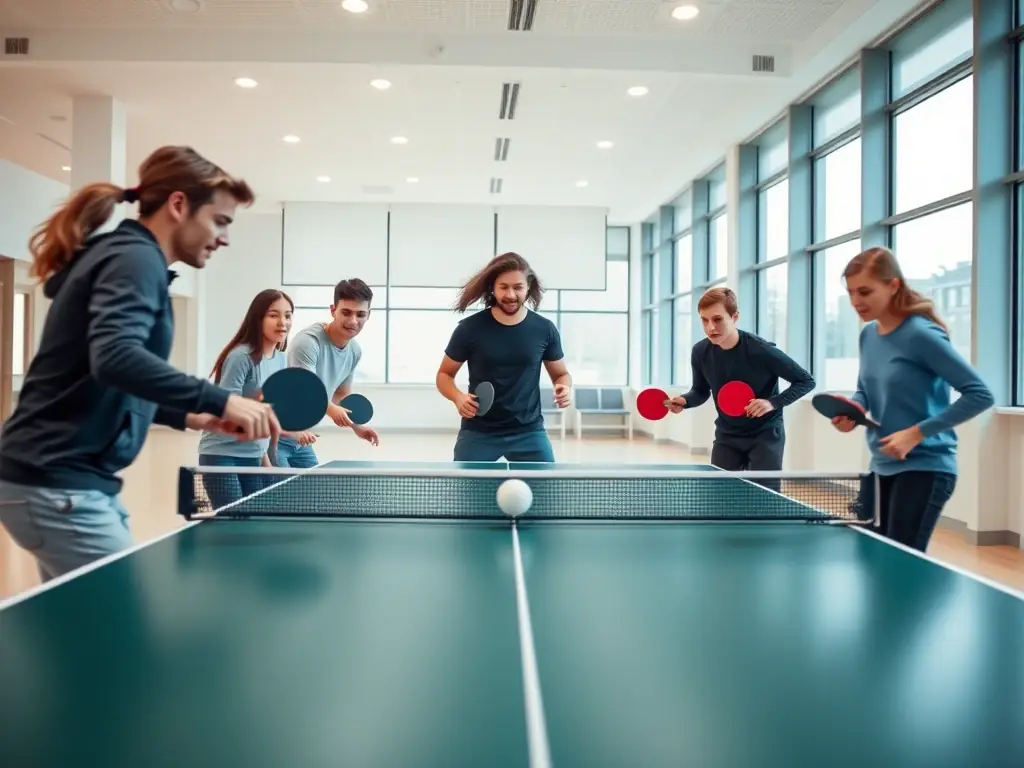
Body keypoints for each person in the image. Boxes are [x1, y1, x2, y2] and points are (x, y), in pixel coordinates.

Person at [0, 145, 279, 581]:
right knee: (120, 627)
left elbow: (108, 376)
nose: (224, 237)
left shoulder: (129, 256)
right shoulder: (135, 259)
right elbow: (115, 357)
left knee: (79, 630)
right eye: (220, 221)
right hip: (58, 480)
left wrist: (191, 414)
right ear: (179, 205)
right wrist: (221, 401)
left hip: (62, 479)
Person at [832, 246, 993, 552]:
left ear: (893, 285)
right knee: (869, 555)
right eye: (851, 292)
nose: (855, 302)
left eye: (865, 292)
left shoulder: (922, 335)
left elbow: (980, 394)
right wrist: (854, 410)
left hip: (926, 468)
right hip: (881, 465)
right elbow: (865, 388)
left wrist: (916, 433)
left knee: (900, 565)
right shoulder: (868, 335)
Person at [667, 286, 815, 482]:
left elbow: (805, 381)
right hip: (727, 435)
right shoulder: (700, 352)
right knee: (720, 497)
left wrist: (772, 403)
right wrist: (685, 401)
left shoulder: (761, 350)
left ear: (735, 317)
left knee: (765, 498)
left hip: (765, 434)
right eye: (705, 320)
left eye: (717, 319)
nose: (711, 327)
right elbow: (701, 390)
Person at [436, 252, 572, 463]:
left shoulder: (545, 329)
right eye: (504, 287)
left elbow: (561, 374)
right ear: (493, 288)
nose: (510, 294)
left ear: (528, 288)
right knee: (468, 496)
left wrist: (564, 388)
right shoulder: (469, 329)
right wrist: (458, 397)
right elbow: (444, 374)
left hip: (529, 431)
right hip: (478, 432)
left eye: (517, 287)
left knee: (546, 493)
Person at [197, 289, 318, 508]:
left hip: (253, 455)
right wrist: (288, 430)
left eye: (288, 315)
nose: (283, 322)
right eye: (274, 315)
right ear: (258, 318)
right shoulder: (241, 356)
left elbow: (269, 411)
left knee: (253, 520)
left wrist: (266, 460)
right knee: (232, 522)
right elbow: (229, 410)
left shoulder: (281, 360)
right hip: (222, 454)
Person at [274, 278, 380, 468]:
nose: (353, 321)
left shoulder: (354, 350)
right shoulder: (308, 342)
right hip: (276, 435)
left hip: (303, 437)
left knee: (313, 492)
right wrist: (332, 411)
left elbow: (341, 395)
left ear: (368, 315)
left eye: (360, 314)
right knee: (277, 496)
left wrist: (356, 426)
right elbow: (307, 391)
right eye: (346, 312)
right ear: (333, 310)